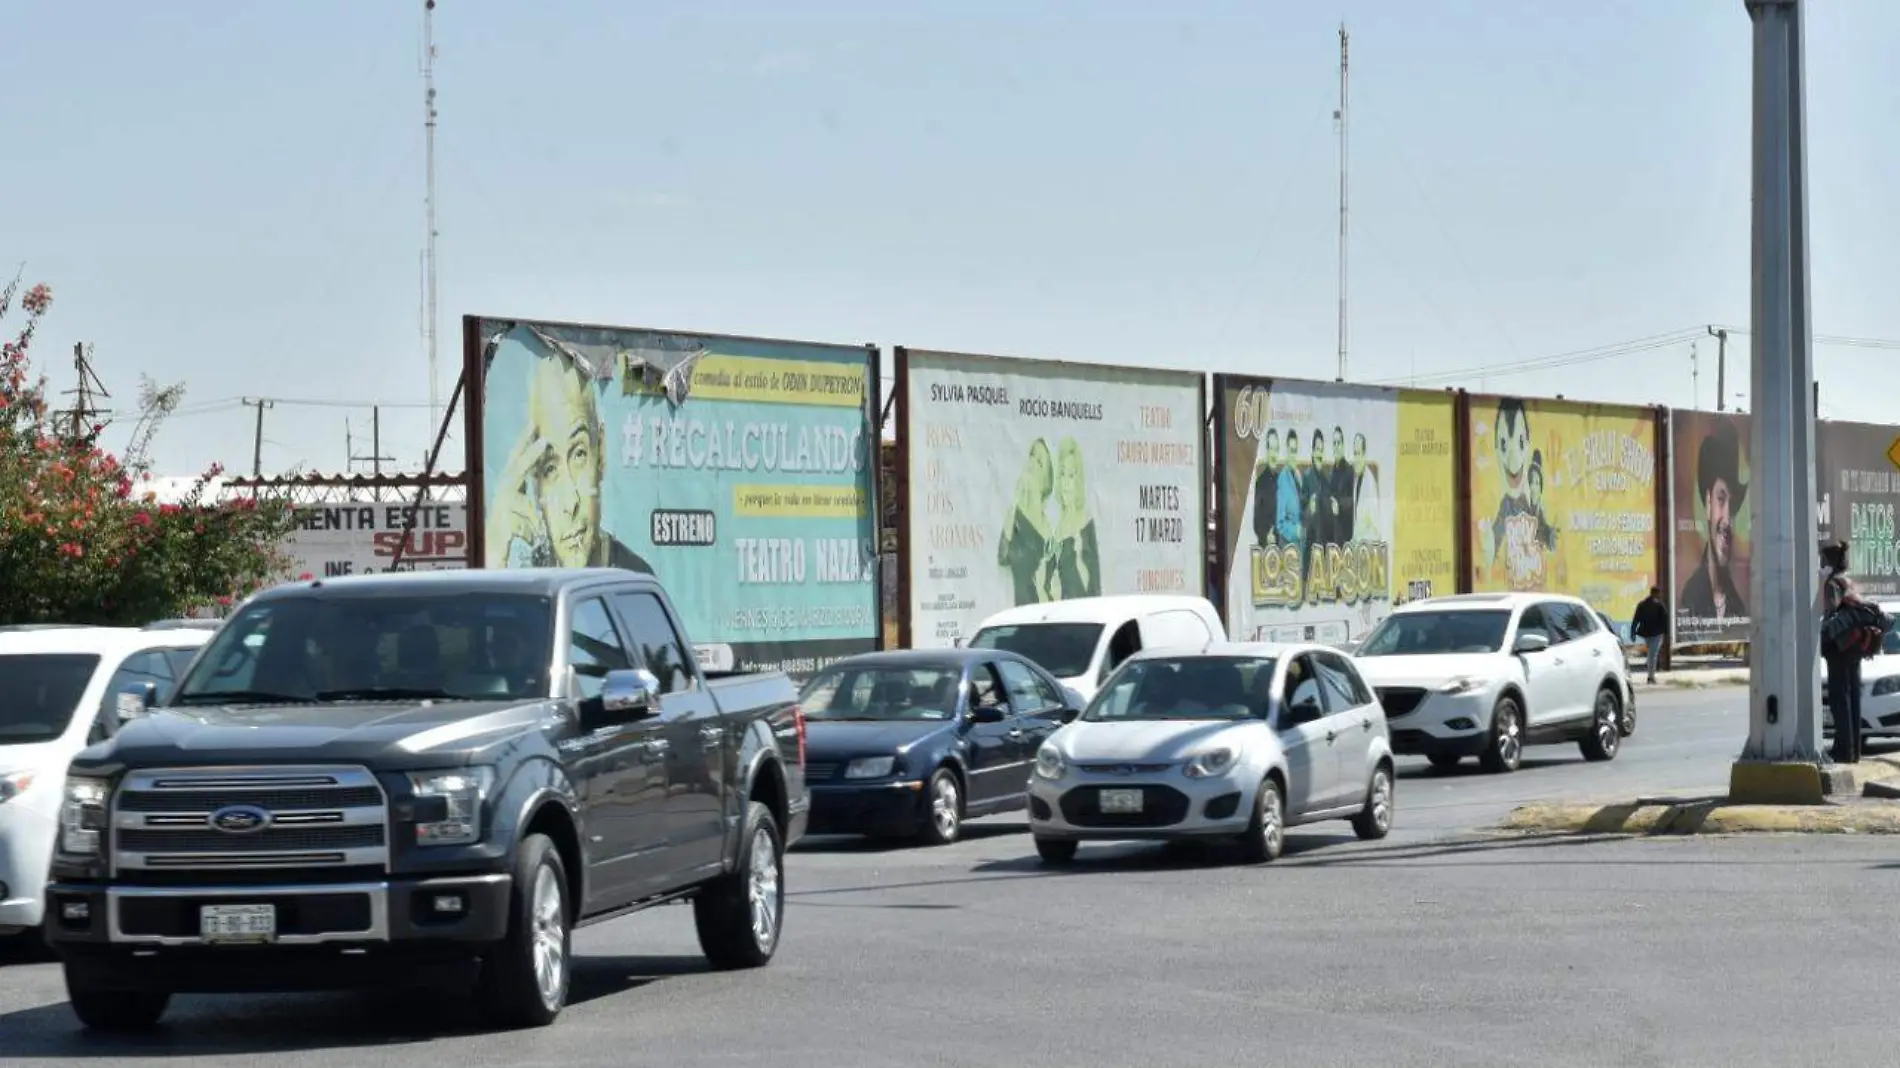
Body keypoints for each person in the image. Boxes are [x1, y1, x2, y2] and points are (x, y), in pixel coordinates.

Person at [1678, 422, 1749, 623]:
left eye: (1733, 505)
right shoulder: (1691, 596)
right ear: (1708, 502)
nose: (1727, 519)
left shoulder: (1737, 606)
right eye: (1721, 498)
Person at [1821, 541, 1863, 765]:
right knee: (1853, 698)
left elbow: (1832, 611)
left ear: (1829, 560)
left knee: (1840, 700)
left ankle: (1843, 749)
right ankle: (1854, 750)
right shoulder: (1850, 581)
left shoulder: (1833, 583)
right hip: (1855, 647)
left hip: (1840, 647)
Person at [1630, 587, 1669, 684]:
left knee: (1651, 654)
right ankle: (1651, 676)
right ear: (1657, 594)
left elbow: (1636, 619)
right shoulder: (1660, 605)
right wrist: (1666, 634)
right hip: (1657, 634)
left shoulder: (1642, 604)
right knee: (1653, 655)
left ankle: (1650, 674)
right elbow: (1665, 620)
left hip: (1646, 634)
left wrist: (1633, 632)